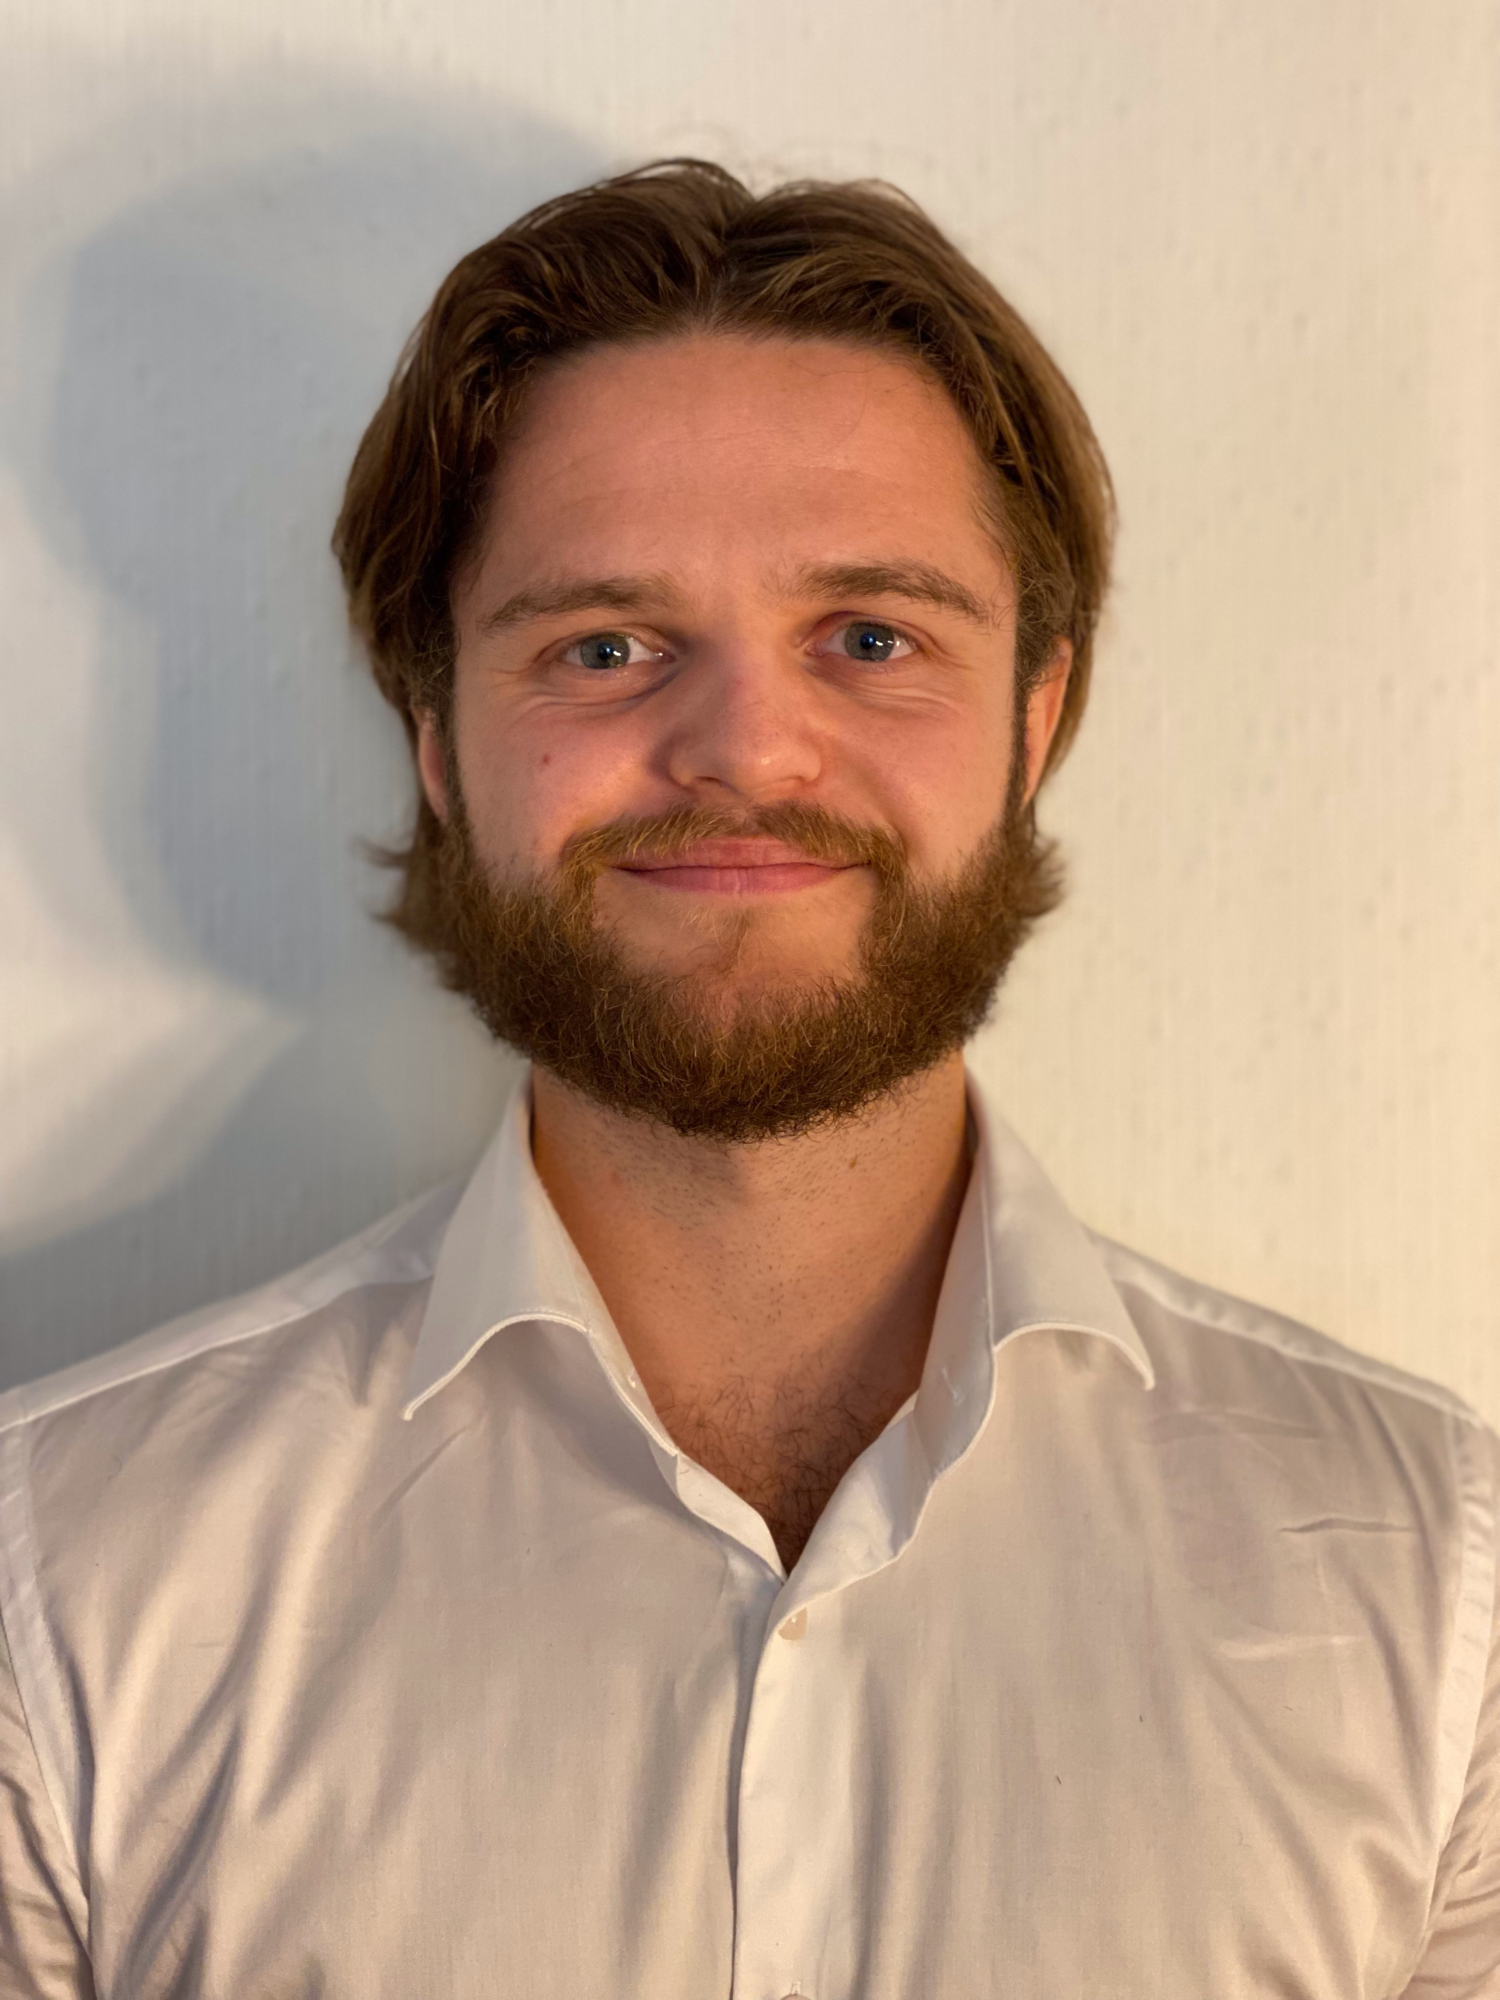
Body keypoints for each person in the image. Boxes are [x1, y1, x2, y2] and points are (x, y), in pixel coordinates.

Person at [0, 159, 1494, 2000]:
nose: (745, 750)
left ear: (1034, 721)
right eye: (605, 647)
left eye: (871, 639)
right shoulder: (56, 1588)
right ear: (439, 745)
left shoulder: (1441, 1596)